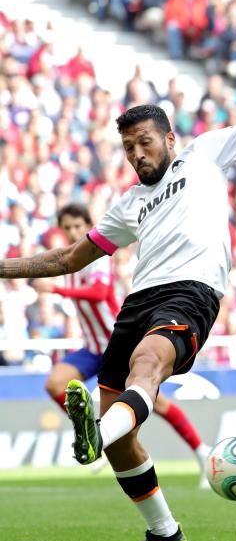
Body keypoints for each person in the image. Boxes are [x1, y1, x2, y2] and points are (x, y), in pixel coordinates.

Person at [0, 54, 236, 541]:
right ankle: (164, 535)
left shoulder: (206, 153)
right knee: (124, 444)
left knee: (147, 367)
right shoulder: (128, 204)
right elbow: (67, 257)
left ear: (169, 139)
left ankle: (93, 436)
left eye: (144, 142)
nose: (137, 154)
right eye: (128, 148)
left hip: (191, 293)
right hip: (137, 302)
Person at [31, 203, 212, 484]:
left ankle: (203, 453)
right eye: (67, 228)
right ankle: (96, 433)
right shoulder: (69, 261)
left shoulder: (97, 256)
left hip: (118, 343)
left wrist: (56, 289)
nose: (72, 232)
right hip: (93, 347)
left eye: (78, 226)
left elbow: (99, 291)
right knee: (55, 383)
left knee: (158, 404)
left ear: (88, 225)